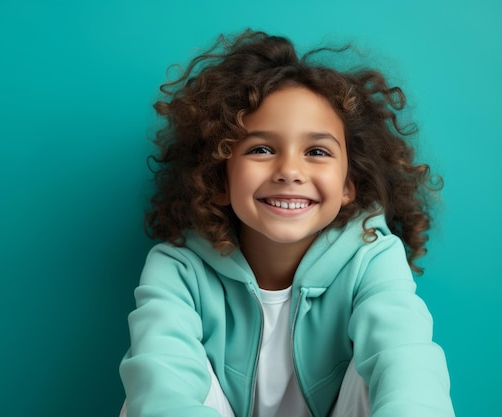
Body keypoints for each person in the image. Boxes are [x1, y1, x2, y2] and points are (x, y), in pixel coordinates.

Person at [118, 29, 455, 417]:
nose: (290, 171)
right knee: (143, 397)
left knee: (385, 377)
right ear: (218, 179)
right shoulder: (178, 267)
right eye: (261, 149)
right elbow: (162, 383)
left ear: (348, 185)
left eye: (316, 151)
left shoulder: (372, 257)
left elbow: (407, 362)